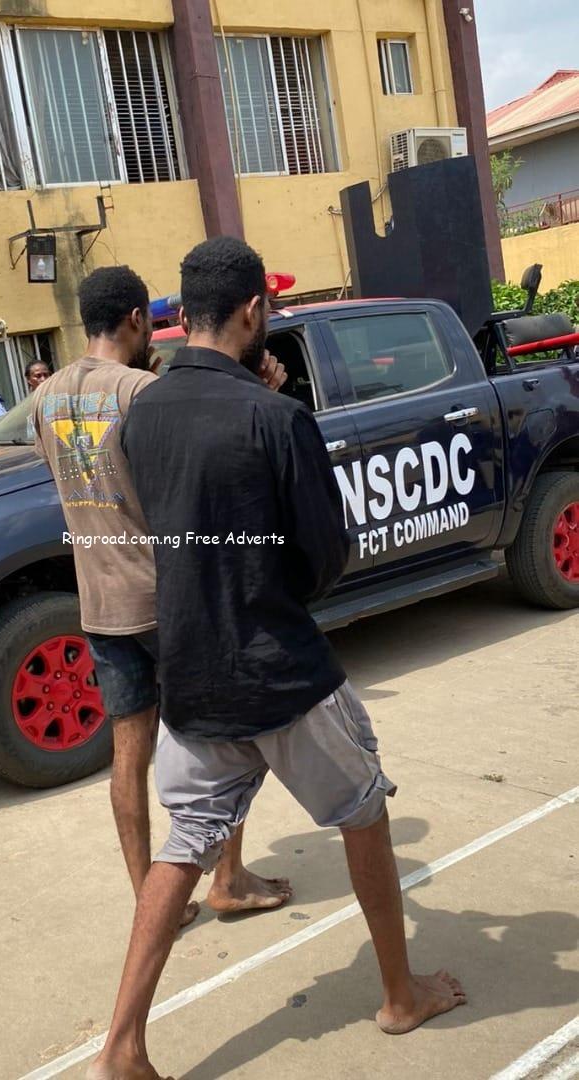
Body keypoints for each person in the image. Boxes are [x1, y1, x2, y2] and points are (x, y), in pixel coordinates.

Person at [89, 237, 466, 1080]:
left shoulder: (143, 415)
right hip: (280, 674)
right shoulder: (276, 416)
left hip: (189, 674)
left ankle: (120, 1049)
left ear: (184, 314)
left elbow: (176, 521)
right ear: (254, 311)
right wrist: (275, 418)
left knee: (183, 845)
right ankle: (400, 996)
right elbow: (323, 559)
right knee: (363, 810)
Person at [32, 265, 293, 927]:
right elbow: (206, 464)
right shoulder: (144, 392)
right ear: (135, 320)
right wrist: (256, 395)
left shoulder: (45, 398)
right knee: (224, 738)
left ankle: (150, 899)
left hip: (100, 602)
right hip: (169, 597)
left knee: (129, 753)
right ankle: (227, 878)